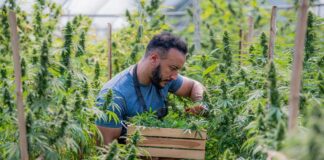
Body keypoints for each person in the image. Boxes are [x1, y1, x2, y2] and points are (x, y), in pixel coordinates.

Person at [95, 32, 207, 145]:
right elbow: (105, 151)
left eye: (177, 70)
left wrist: (200, 103)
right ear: (153, 59)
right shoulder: (114, 97)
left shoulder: (163, 78)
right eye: (173, 68)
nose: (175, 76)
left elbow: (194, 85)